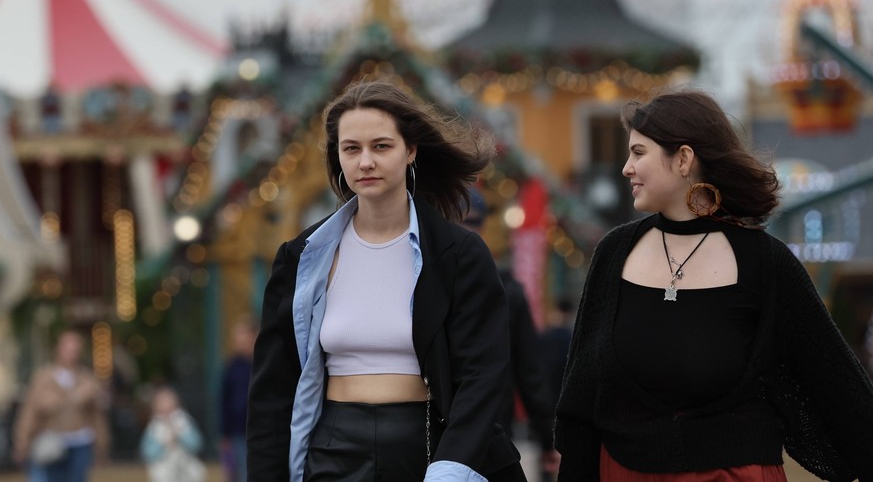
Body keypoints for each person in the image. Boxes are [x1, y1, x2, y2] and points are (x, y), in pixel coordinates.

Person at [555, 90, 873, 481]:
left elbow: (839, 389)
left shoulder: (764, 261)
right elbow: (582, 396)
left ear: (684, 159)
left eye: (639, 153)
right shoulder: (614, 252)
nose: (626, 168)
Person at [247, 79, 525, 481]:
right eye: (351, 149)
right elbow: (272, 390)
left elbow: (482, 378)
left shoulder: (460, 255)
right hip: (332, 449)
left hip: (431, 446)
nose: (365, 162)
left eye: (381, 146)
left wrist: (450, 469)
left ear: (410, 150)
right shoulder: (302, 257)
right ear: (337, 156)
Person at [461, 188, 560, 481]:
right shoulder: (508, 289)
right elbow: (530, 373)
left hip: (436, 431)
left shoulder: (427, 280)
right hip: (491, 430)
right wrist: (547, 439)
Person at [13, 330, 109, 482]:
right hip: (51, 441)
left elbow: (97, 416)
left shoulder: (87, 379)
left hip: (80, 442)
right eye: (68, 349)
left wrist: (102, 445)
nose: (71, 354)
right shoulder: (43, 379)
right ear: (58, 349)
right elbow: (29, 413)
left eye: (75, 350)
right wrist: (22, 443)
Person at [218, 317, 256, 482]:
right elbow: (223, 401)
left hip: (257, 429)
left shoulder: (261, 364)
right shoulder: (232, 367)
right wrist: (224, 434)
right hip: (237, 432)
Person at [140, 386, 205, 482]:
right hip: (163, 474)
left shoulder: (184, 421)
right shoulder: (153, 427)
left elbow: (196, 445)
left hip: (187, 473)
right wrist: (163, 444)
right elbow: (147, 453)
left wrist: (181, 435)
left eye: (168, 400)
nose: (165, 404)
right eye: (161, 401)